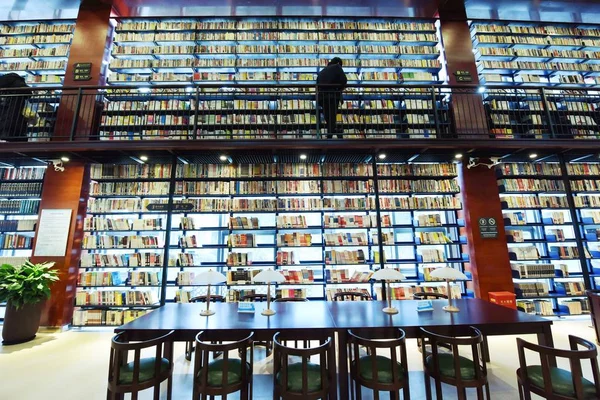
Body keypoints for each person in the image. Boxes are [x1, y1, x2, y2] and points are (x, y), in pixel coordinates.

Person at [317, 57, 347, 139]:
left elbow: (317, 84)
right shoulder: (337, 67)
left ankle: (332, 132)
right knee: (332, 116)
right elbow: (344, 80)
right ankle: (333, 133)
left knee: (328, 117)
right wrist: (339, 89)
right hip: (333, 95)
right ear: (338, 63)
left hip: (322, 97)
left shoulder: (322, 71)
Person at [0, 73, 32, 142]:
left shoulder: (4, 86)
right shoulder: (19, 88)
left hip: (6, 121)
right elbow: (29, 93)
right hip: (17, 122)